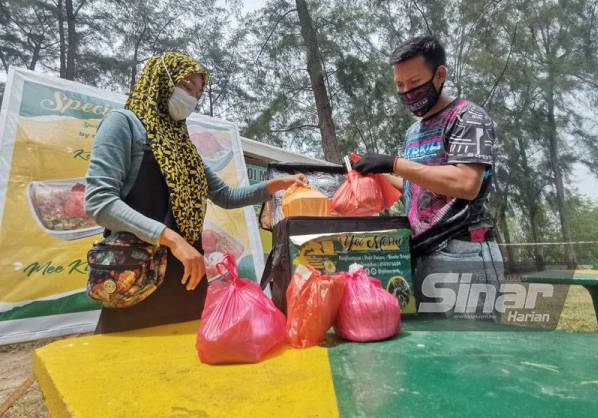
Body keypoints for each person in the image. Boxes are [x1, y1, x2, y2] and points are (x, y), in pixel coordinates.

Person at [85, 52, 306, 332]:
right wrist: (172, 240)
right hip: (133, 276)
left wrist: (276, 185)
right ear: (161, 80)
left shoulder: (182, 146)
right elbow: (99, 202)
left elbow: (226, 195)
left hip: (187, 277)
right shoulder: (123, 124)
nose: (191, 98)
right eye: (186, 86)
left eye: (198, 93)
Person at [353, 36, 503, 319]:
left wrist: (394, 163)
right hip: (422, 254)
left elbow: (466, 184)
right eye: (400, 86)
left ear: (440, 74)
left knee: (474, 352)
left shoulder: (466, 117)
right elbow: (416, 184)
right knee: (435, 353)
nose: (407, 92)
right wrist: (374, 173)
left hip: (462, 254)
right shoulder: (414, 132)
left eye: (414, 82)